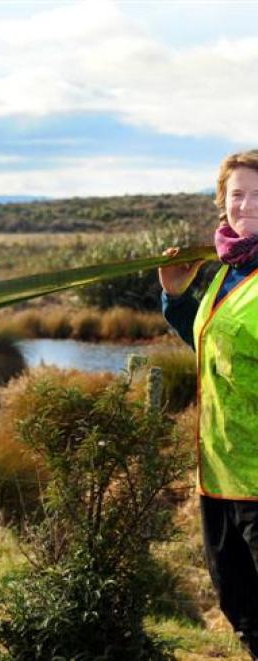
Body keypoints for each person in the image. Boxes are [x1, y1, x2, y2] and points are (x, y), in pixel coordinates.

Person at [159, 149, 258, 660]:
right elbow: (215, 349)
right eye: (237, 194)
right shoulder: (227, 269)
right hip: (219, 474)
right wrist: (178, 300)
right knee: (242, 610)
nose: (247, 206)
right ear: (223, 203)